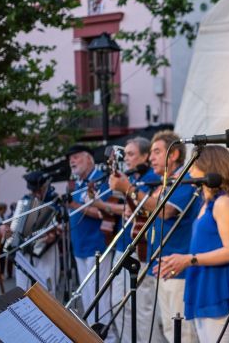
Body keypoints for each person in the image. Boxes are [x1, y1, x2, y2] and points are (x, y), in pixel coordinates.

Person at [110, 131, 201, 343]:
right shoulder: (164, 182)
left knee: (183, 333)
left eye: (157, 152)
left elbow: (165, 210)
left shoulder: (184, 179)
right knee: (170, 330)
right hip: (161, 264)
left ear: (174, 154)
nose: (151, 158)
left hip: (178, 268)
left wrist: (129, 189)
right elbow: (150, 210)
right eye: (150, 153)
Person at [153, 146, 229, 343]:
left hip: (216, 285)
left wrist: (189, 259)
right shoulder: (205, 202)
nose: (189, 170)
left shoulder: (223, 203)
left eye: (194, 164)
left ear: (209, 165)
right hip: (202, 282)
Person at [65, 144, 115, 340]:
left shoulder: (100, 181)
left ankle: (107, 338)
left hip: (98, 247)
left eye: (76, 157)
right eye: (71, 158)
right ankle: (92, 336)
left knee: (99, 298)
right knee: (87, 297)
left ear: (89, 159)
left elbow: (103, 212)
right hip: (80, 248)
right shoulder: (78, 184)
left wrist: (74, 204)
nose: (72, 161)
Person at [13, 171, 62, 293]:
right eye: (34, 191)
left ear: (46, 186)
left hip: (46, 250)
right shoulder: (25, 201)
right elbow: (16, 227)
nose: (37, 194)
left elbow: (61, 226)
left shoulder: (55, 201)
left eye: (39, 190)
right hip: (25, 251)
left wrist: (55, 233)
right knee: (23, 289)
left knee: (48, 289)